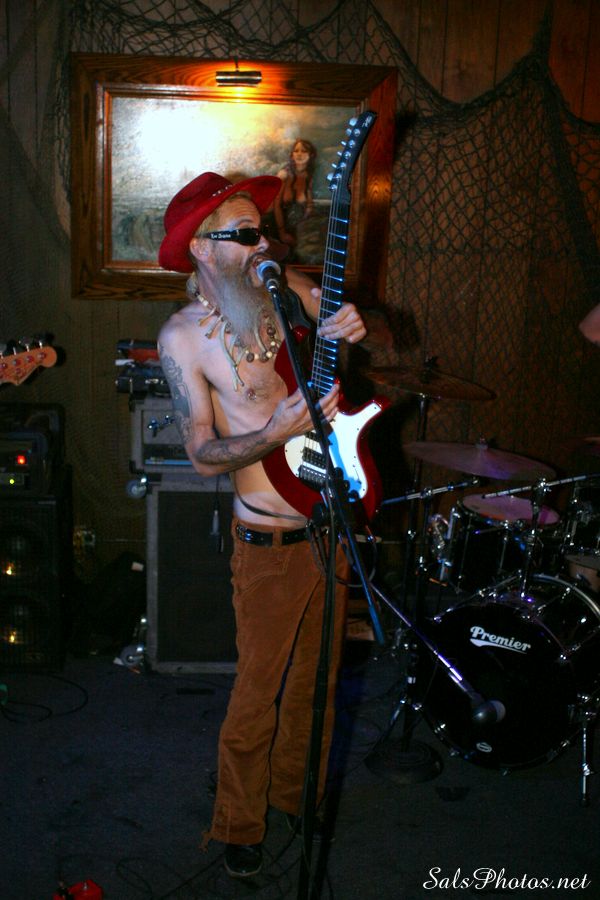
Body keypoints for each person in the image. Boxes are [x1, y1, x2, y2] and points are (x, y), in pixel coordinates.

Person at [157, 172, 367, 879]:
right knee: (258, 695)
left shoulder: (286, 292)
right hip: (267, 543)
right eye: (246, 235)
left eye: (264, 232)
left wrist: (350, 320)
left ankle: (295, 795)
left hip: (327, 527)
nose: (263, 246)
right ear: (201, 248)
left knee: (317, 685)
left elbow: (340, 321)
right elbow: (201, 455)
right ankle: (239, 824)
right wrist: (273, 432)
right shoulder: (182, 338)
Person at [273, 138, 317, 252]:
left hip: (301, 227)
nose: (299, 154)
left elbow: (309, 201)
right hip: (279, 228)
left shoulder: (308, 175)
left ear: (311, 155)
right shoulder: (284, 175)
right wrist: (282, 234)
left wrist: (308, 214)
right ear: (292, 155)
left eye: (304, 151)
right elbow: (276, 206)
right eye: (296, 151)